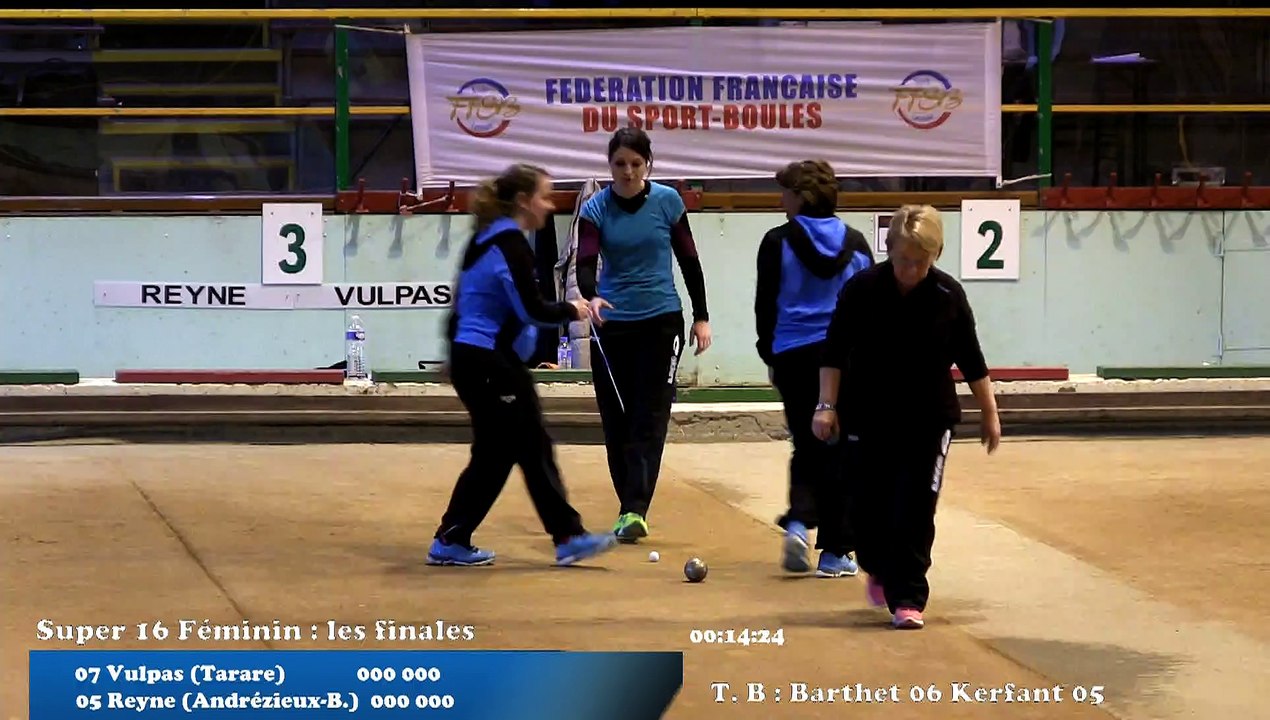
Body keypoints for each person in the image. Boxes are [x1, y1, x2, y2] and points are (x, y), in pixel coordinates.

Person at [812, 204, 1001, 630]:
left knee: (916, 508)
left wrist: (989, 413)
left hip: (929, 419)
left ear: (935, 255)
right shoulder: (862, 290)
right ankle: (878, 567)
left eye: (921, 261)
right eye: (902, 259)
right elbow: (834, 351)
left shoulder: (948, 296)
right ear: (889, 249)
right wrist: (826, 406)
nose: (910, 269)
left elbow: (971, 359)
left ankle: (909, 598)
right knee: (867, 509)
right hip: (867, 415)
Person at [429, 163, 619, 568]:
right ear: (523, 201)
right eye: (545, 197)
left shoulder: (483, 239)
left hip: (476, 358)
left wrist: (454, 355)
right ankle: (568, 536)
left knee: (496, 453)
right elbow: (532, 309)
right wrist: (575, 307)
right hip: (488, 361)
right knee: (530, 443)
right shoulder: (510, 243)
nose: (550, 206)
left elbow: (461, 304)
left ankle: (452, 538)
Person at [575, 126, 712, 543]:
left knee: (649, 419)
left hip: (661, 321)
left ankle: (635, 508)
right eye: (620, 164)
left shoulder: (668, 202)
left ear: (648, 164)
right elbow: (585, 263)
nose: (628, 172)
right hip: (613, 325)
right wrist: (592, 296)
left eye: (636, 164)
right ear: (609, 166)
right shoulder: (595, 208)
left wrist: (701, 316)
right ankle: (628, 506)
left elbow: (689, 261)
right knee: (616, 420)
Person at [754, 160, 873, 578]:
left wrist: (770, 355)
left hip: (792, 355)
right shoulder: (857, 243)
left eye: (785, 193)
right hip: (844, 360)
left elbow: (764, 306)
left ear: (801, 197)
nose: (780, 200)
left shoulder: (776, 242)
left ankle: (801, 521)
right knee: (840, 451)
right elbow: (869, 309)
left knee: (806, 443)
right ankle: (836, 552)